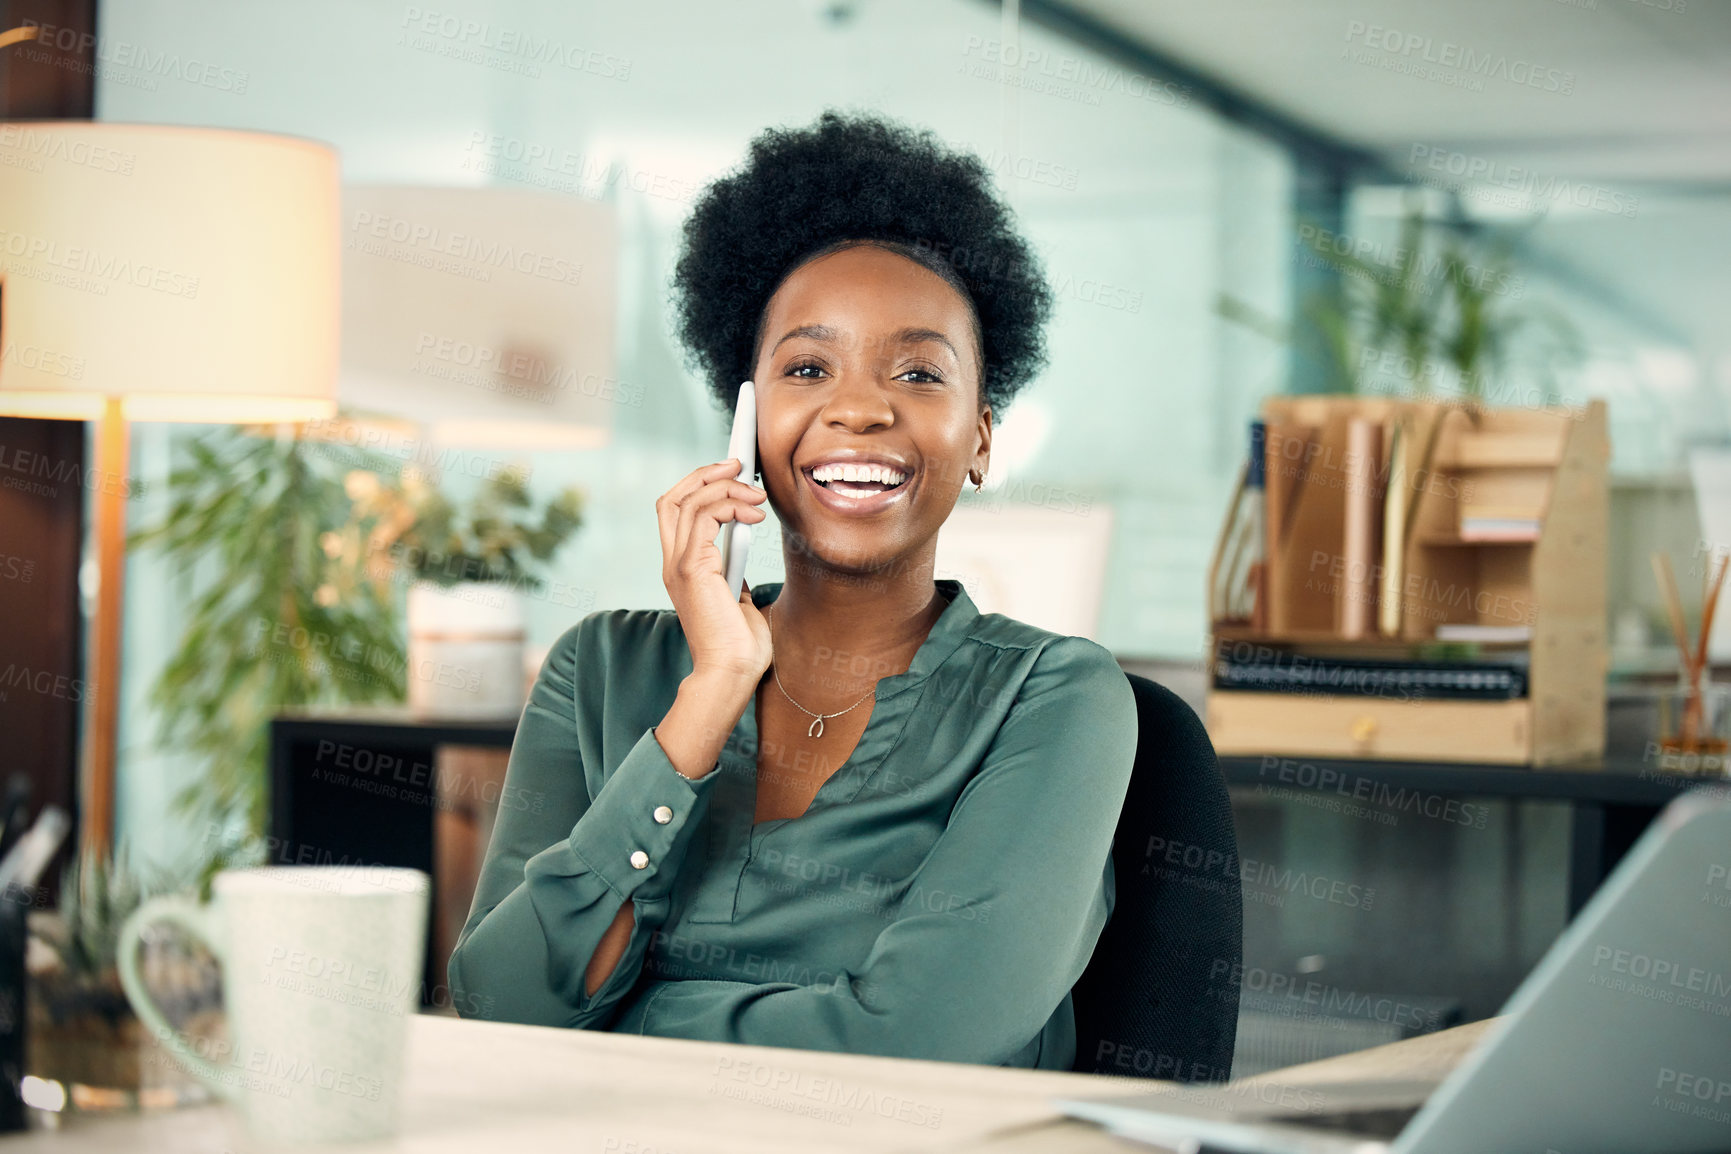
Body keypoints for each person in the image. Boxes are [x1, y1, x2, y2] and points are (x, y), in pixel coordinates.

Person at [447, 109, 1137, 1069]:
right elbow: (498, 1005)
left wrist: (623, 1025)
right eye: (806, 368)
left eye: (919, 372)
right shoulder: (598, 668)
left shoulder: (1054, 698)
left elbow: (920, 1043)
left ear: (980, 438)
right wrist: (709, 695)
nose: (858, 407)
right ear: (747, 419)